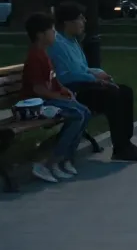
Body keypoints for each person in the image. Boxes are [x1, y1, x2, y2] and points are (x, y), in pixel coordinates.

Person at [48, 1, 137, 162]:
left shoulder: (73, 41)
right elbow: (66, 76)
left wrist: (99, 73)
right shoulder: (57, 45)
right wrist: (95, 79)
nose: (84, 21)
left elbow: (83, 68)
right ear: (67, 22)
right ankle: (121, 149)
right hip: (71, 92)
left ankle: (125, 143)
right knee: (113, 95)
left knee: (125, 91)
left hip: (84, 86)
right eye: (80, 18)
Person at [22, 12, 92, 183]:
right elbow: (38, 89)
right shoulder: (35, 57)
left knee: (85, 112)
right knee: (77, 114)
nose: (55, 34)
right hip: (36, 105)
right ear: (41, 35)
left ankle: (66, 158)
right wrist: (59, 97)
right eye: (52, 31)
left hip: (49, 100)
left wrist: (64, 91)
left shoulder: (44, 54)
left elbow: (53, 80)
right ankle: (50, 162)